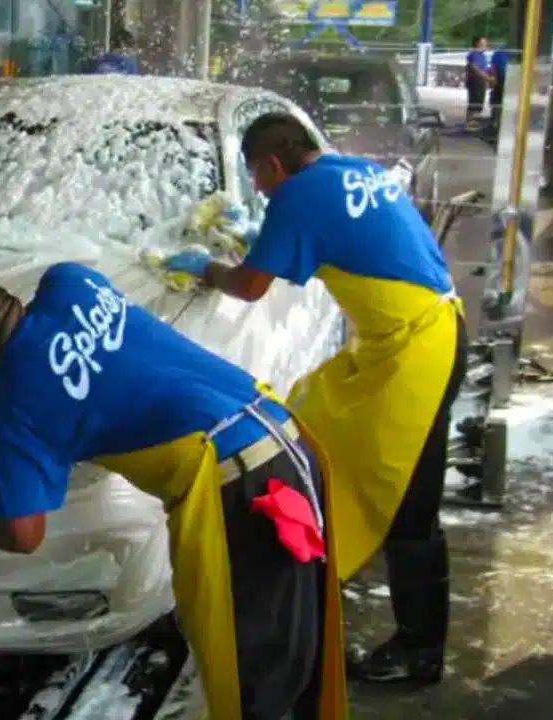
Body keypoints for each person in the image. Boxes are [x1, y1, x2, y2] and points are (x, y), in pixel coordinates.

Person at [0, 263, 348, 719]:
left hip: (243, 497)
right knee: (301, 654)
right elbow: (85, 369)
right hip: (286, 440)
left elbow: (22, 534)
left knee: (252, 678)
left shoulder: (11, 418)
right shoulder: (70, 282)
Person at [161, 113, 468, 686]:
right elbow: (341, 235)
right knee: (318, 419)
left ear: (274, 163)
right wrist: (260, 239)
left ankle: (419, 650)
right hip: (420, 336)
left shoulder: (296, 198)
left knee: (410, 509)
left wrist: (207, 268)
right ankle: (334, 564)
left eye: (256, 175)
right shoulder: (348, 169)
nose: (256, 188)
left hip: (419, 353)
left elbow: (252, 287)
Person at [465, 37, 494, 129]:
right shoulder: (474, 55)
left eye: (486, 42)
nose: (486, 44)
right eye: (483, 42)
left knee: (479, 103)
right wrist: (487, 78)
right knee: (474, 103)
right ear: (478, 44)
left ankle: (472, 124)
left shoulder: (482, 55)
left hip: (481, 81)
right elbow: (475, 68)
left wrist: (486, 80)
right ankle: (471, 125)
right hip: (476, 81)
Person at [489, 47, 509, 130]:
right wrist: (493, 79)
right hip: (501, 80)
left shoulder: (499, 52)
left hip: (506, 80)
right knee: (497, 102)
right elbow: (493, 67)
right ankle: (495, 123)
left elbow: (492, 67)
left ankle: (496, 123)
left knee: (498, 102)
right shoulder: (499, 52)